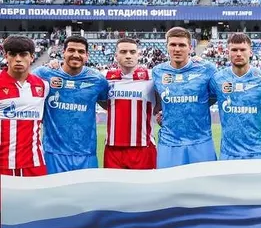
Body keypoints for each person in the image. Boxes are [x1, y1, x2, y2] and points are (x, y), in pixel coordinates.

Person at [33, 34, 109, 173]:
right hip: (53, 153)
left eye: (81, 51)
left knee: (87, 188)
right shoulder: (44, 74)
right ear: (63, 52)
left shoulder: (98, 80)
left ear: (87, 55)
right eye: (71, 50)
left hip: (86, 154)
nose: (76, 55)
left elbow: (111, 106)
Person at [152, 27, 218, 168]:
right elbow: (157, 102)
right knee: (170, 182)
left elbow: (216, 96)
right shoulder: (157, 72)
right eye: (173, 45)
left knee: (204, 181)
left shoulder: (207, 69)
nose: (177, 49)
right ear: (167, 47)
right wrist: (165, 114)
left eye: (182, 45)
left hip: (201, 141)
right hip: (169, 142)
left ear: (190, 47)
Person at [211, 32, 261, 160]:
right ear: (227, 52)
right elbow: (201, 103)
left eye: (243, 49)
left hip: (259, 152)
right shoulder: (217, 79)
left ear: (250, 52)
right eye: (234, 50)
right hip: (229, 152)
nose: (238, 53)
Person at [104, 37, 159, 170]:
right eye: (123, 52)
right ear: (116, 55)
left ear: (138, 55)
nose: (128, 56)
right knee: (113, 184)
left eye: (132, 52)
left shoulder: (152, 77)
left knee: (145, 184)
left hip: (143, 147)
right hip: (113, 148)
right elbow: (102, 102)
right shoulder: (105, 78)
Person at [0, 34, 49, 177]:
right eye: (13, 54)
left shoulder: (43, 86)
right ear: (6, 56)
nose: (18, 59)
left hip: (35, 163)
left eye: (23, 54)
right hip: (3, 163)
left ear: (32, 57)